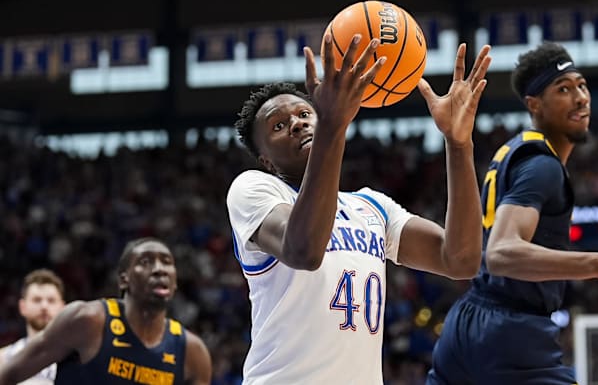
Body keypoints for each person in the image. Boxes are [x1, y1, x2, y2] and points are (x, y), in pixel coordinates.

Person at [226, 32, 492, 384]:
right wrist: (332, 127)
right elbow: (304, 251)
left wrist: (459, 145)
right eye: (279, 125)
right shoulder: (254, 189)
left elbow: (460, 260)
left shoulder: (372, 206)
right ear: (266, 160)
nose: (297, 123)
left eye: (305, 113)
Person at [426, 41, 598, 384]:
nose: (581, 97)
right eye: (564, 89)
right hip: (509, 331)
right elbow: (501, 253)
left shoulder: (515, 149)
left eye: (582, 85)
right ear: (534, 104)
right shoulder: (543, 165)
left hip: (468, 320)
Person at [0, 237, 212, 385]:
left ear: (175, 282)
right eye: (146, 262)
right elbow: (8, 375)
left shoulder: (192, 353)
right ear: (123, 279)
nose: (159, 269)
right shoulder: (86, 321)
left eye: (167, 263)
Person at [0, 269, 66, 385]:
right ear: (22, 307)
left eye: (51, 301)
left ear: (62, 308)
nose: (44, 306)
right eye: (37, 300)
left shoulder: (77, 360)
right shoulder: (3, 358)